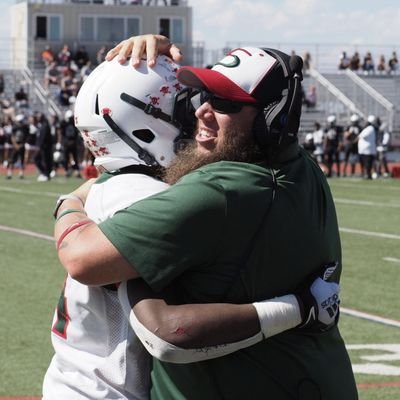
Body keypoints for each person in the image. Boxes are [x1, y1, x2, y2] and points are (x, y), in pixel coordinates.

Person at [53, 36, 357, 399]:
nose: (198, 111)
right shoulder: (299, 166)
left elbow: (82, 257)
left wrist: (69, 200)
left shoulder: (212, 190)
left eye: (222, 101)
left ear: (274, 119)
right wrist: (300, 308)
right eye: (196, 99)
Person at [357, 115, 377, 179]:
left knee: (368, 164)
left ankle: (368, 175)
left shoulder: (370, 128)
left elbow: (362, 136)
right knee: (366, 163)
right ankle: (366, 174)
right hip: (365, 150)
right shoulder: (369, 128)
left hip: (367, 150)